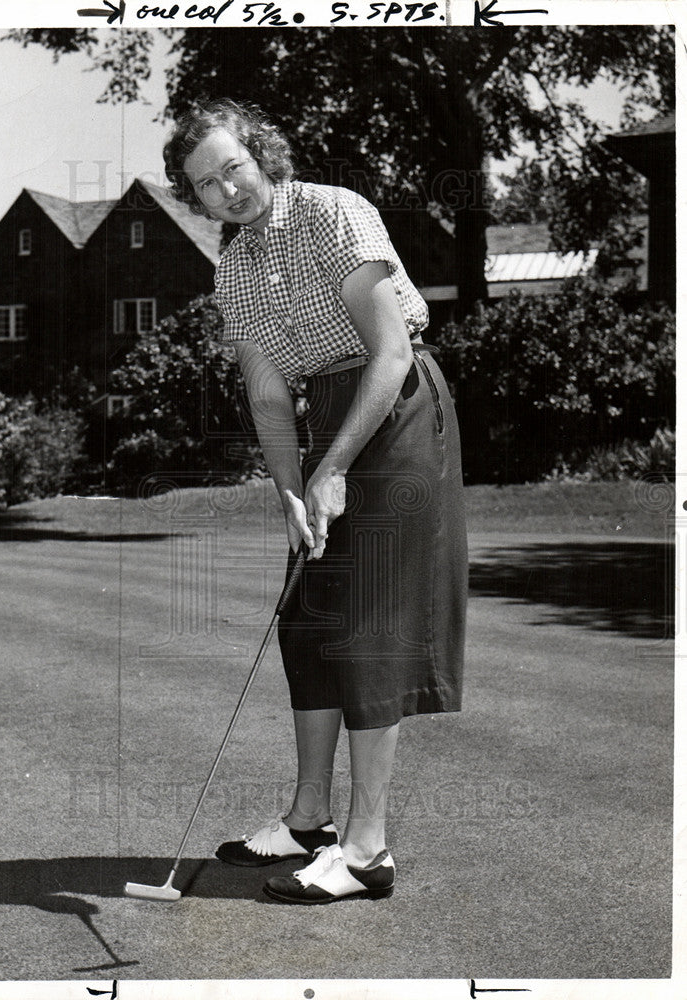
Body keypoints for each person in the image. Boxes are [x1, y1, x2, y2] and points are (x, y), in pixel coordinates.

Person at [163, 99, 467, 904]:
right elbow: (268, 396)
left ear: (261, 154)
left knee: (366, 623)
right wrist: (290, 494)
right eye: (204, 184)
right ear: (193, 201)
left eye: (232, 167)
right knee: (309, 617)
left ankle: (366, 851)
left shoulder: (335, 211)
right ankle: (308, 820)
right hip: (327, 415)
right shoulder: (232, 268)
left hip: (395, 409)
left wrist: (330, 469)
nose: (226, 189)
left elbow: (391, 350)